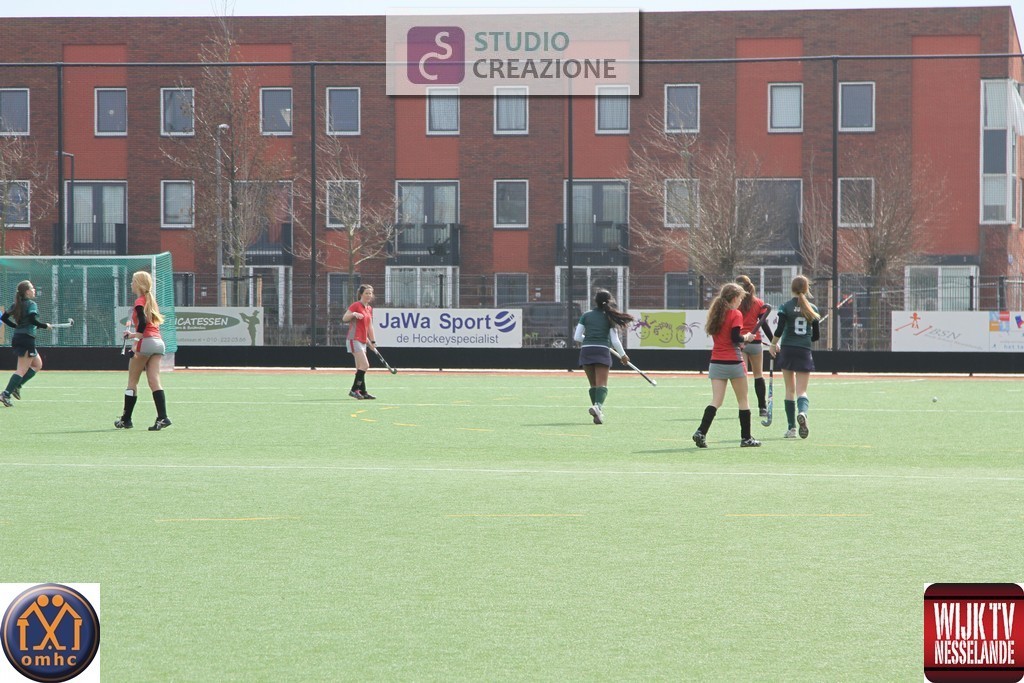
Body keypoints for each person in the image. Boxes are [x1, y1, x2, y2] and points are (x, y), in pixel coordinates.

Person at [692, 282, 760, 448]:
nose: (740, 302)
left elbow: (726, 337)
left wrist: (742, 340)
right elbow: (735, 337)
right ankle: (746, 438)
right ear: (734, 298)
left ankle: (701, 431)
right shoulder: (735, 314)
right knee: (743, 401)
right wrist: (747, 337)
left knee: (716, 400)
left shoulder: (716, 314)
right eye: (740, 299)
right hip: (734, 362)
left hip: (716, 362)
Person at [115, 271, 171, 430]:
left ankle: (126, 419)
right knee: (154, 381)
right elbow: (149, 326)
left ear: (139, 284)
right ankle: (163, 417)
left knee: (132, 382)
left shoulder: (139, 301)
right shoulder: (151, 301)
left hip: (145, 343)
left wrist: (135, 341)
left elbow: (143, 322)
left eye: (133, 281)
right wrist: (134, 335)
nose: (131, 284)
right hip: (158, 343)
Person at [768, 275, 821, 439]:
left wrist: (773, 344)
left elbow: (779, 329)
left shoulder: (785, 307)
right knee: (801, 390)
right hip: (804, 350)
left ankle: (791, 428)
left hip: (787, 349)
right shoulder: (812, 308)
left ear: (791, 289)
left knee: (789, 390)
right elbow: (816, 336)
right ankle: (803, 413)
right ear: (807, 288)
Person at [573, 289, 634, 424]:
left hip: (586, 350)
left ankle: (598, 414)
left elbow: (577, 337)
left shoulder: (586, 315)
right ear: (610, 301)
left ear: (595, 301)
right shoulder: (609, 317)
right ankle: (597, 407)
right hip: (601, 350)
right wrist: (623, 356)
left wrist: (590, 340)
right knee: (602, 385)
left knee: (593, 385)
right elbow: (615, 341)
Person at [0, 280, 57, 406]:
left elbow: (3, 318)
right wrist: (45, 326)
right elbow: (32, 319)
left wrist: (16, 326)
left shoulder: (16, 304)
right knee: (21, 370)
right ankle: (5, 394)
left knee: (37, 364)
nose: (34, 290)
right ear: (27, 292)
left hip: (20, 337)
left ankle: (17, 386)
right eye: (32, 288)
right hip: (26, 339)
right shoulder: (31, 304)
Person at [735, 275, 774, 418]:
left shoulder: (735, 303)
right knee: (758, 375)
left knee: (743, 376)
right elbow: (764, 325)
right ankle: (762, 407)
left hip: (741, 342)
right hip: (756, 343)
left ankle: (744, 406)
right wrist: (773, 342)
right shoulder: (758, 303)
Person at [342, 284, 377, 400]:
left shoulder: (369, 308)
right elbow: (345, 318)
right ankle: (354, 390)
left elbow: (370, 326)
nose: (368, 295)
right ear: (361, 294)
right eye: (366, 293)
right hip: (354, 339)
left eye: (370, 293)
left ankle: (363, 391)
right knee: (365, 365)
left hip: (363, 340)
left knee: (360, 367)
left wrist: (372, 341)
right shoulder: (356, 305)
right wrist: (353, 314)